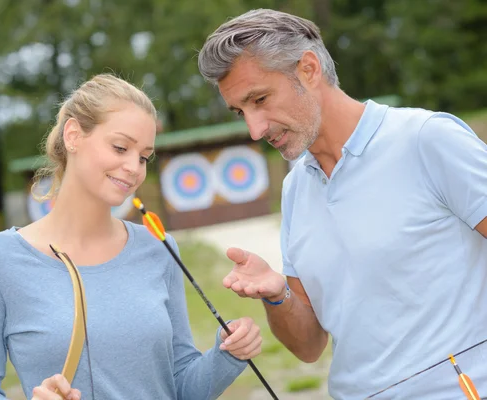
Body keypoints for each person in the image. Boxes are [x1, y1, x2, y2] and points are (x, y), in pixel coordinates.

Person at [198, 8, 487, 400]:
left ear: (309, 69)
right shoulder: (295, 189)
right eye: (241, 112)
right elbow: (308, 346)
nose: (254, 129)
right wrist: (275, 292)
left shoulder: (426, 139)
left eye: (260, 99)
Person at [0, 74, 263, 400]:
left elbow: (181, 386)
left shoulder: (159, 249)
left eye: (144, 157)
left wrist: (228, 354)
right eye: (120, 147)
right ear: (73, 135)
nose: (134, 167)